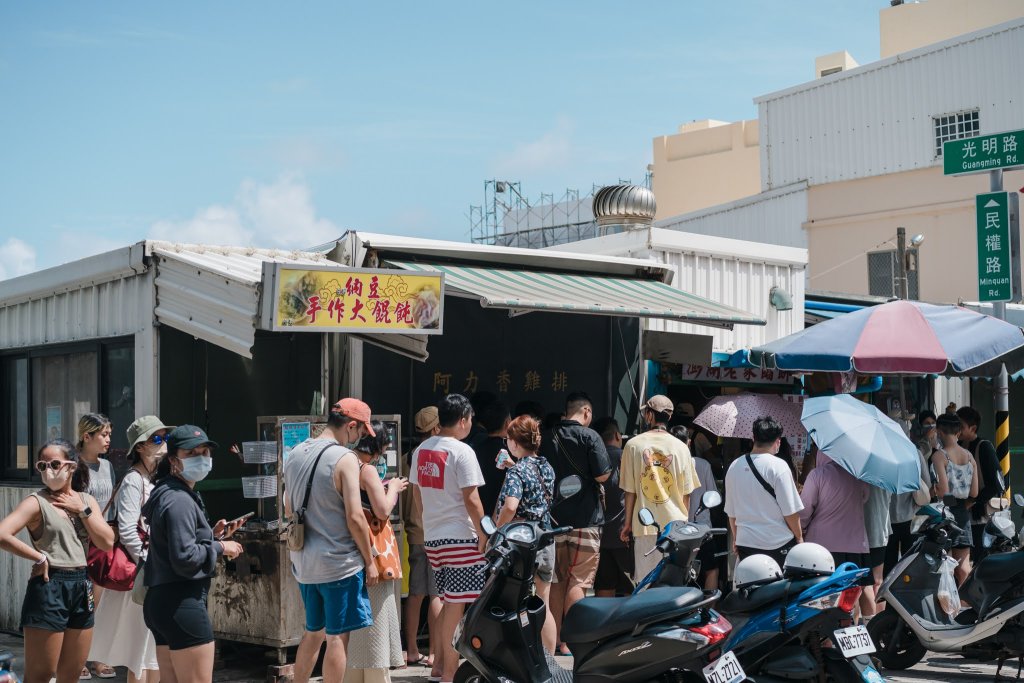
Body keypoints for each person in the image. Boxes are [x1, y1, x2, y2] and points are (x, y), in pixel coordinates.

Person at [0, 440, 114, 683]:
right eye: (42, 465)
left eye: (54, 464)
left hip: (83, 586)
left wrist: (82, 510)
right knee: (40, 676)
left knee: (70, 675)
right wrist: (39, 556)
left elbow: (107, 542)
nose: (48, 470)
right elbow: (2, 534)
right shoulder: (36, 501)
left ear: (71, 467)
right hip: (50, 585)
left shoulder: (86, 500)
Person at [284, 399, 378, 683]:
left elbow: (289, 507)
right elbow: (355, 517)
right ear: (352, 425)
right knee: (337, 637)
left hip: (304, 563)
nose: (360, 438)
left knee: (314, 632)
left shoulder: (296, 452)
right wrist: (370, 561)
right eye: (361, 432)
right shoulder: (344, 458)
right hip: (339, 564)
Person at [141, 425, 243, 683]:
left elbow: (176, 544)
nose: (201, 457)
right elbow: (185, 557)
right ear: (174, 460)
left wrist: (210, 535)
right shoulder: (179, 500)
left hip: (162, 602)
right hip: (182, 601)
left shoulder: (170, 493)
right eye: (192, 452)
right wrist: (221, 547)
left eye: (205, 451)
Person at [410, 393, 487, 683]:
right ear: (464, 420)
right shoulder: (462, 451)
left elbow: (417, 495)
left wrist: (430, 522)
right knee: (456, 606)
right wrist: (484, 535)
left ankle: (439, 664)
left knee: (446, 600)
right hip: (460, 538)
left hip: (433, 539)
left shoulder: (421, 451)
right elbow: (473, 500)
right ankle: (449, 674)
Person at [88, 416, 169, 683]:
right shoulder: (134, 479)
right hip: (141, 574)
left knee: (152, 649)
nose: (163, 443)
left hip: (152, 572)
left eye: (164, 437)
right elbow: (127, 531)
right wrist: (149, 564)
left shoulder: (154, 478)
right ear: (141, 447)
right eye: (156, 438)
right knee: (140, 652)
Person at [538, 391, 611, 656]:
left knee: (556, 582)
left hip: (554, 521)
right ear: (587, 412)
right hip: (586, 520)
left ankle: (554, 641)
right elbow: (603, 475)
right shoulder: (590, 436)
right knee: (578, 582)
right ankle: (574, 643)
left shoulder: (547, 437)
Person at [347, 420, 409, 683]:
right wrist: (393, 489)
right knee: (376, 623)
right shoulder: (367, 470)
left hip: (349, 552)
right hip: (372, 554)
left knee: (355, 626)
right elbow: (382, 510)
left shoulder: (346, 463)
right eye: (384, 447)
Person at [494, 415, 557, 653]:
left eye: (507, 439)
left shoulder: (517, 472)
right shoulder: (546, 467)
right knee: (544, 603)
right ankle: (549, 660)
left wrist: (498, 531)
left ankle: (522, 657)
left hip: (522, 543)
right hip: (545, 538)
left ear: (514, 442)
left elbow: (510, 506)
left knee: (517, 603)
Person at [620, 396, 700, 582]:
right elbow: (686, 493)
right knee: (673, 586)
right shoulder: (682, 447)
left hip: (645, 526)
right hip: (675, 528)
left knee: (646, 584)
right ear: (669, 417)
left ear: (649, 415)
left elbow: (630, 491)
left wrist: (627, 524)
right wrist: (684, 525)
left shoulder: (633, 445)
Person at [724, 416, 804, 564]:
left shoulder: (734, 466)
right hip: (778, 543)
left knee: (749, 586)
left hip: (746, 544)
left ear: (753, 438)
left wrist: (736, 538)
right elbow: (790, 512)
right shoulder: (779, 466)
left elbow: (732, 513)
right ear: (778, 441)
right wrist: (799, 538)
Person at [77, 413, 116, 681]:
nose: (107, 440)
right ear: (86, 436)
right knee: (82, 602)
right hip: (79, 542)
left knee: (101, 603)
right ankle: (76, 658)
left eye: (109, 435)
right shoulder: (73, 466)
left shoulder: (109, 467)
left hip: (104, 540)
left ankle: (97, 657)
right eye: (103, 435)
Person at [402, 407, 442, 668]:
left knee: (415, 595)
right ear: (437, 428)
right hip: (438, 533)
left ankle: (413, 649)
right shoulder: (439, 457)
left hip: (413, 533)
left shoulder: (407, 457)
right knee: (437, 595)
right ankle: (436, 654)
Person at [798, 453, 870, 568]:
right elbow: (864, 498)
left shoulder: (817, 474)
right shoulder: (859, 477)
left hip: (821, 546)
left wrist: (799, 529)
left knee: (823, 585)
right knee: (851, 585)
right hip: (854, 546)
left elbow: (804, 511)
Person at [931, 413, 978, 584]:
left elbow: (943, 491)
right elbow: (974, 493)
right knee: (963, 567)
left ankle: (946, 604)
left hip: (943, 513)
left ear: (940, 432)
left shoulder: (939, 457)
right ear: (958, 432)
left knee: (941, 564)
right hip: (962, 513)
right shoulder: (969, 456)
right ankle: (968, 602)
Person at [673, 425, 721, 591]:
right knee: (711, 570)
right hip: (702, 529)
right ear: (689, 442)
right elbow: (713, 495)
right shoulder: (702, 464)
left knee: (676, 571)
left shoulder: (664, 468)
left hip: (674, 530)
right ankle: (709, 609)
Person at [591, 417, 633, 597]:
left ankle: (604, 625)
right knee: (633, 587)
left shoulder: (592, 458)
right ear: (617, 435)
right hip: (625, 534)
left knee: (604, 587)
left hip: (599, 535)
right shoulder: (625, 457)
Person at [958, 406, 1002, 563]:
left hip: (981, 516)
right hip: (963, 514)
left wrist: (973, 501)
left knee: (979, 559)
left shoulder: (984, 446)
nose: (958, 430)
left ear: (973, 428)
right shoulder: (958, 446)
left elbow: (996, 484)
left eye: (961, 426)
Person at [471, 400, 511, 515]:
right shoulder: (508, 451)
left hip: (478, 512)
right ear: (507, 423)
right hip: (500, 514)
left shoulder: (474, 449)